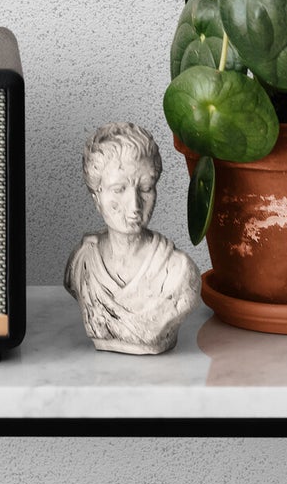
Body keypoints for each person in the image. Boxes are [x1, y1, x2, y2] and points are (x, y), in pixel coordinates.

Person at [64, 123, 199, 355]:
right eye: (118, 189)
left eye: (146, 188)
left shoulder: (178, 272)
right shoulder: (82, 262)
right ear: (97, 196)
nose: (135, 206)